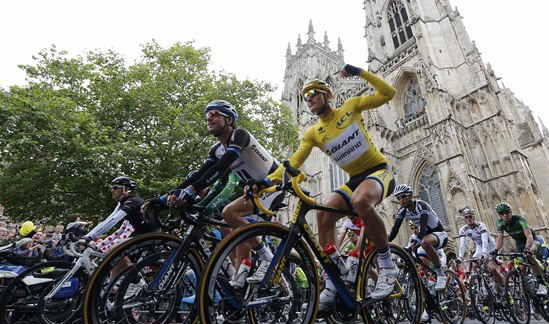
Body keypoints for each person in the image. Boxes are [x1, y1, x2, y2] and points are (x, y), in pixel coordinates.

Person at [263, 63, 397, 308]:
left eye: (313, 94)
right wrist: (267, 181)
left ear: (327, 95)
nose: (308, 99)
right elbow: (294, 161)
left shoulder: (351, 106)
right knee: (323, 216)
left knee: (361, 201)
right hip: (355, 180)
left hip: (378, 171)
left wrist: (359, 72)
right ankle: (334, 280)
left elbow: (388, 94)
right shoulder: (313, 132)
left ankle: (388, 264)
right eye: (304, 97)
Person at [164, 99, 283, 288]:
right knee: (232, 227)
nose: (209, 117)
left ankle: (266, 258)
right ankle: (256, 283)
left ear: (228, 119)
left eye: (215, 113)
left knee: (230, 214)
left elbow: (222, 167)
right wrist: (168, 195)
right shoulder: (216, 149)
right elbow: (202, 173)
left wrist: (192, 191)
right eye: (207, 115)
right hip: (253, 192)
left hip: (274, 185)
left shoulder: (239, 135)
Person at [388, 184, 448, 290]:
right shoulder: (402, 211)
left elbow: (423, 226)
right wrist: (385, 243)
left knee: (424, 242)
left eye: (403, 196)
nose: (401, 200)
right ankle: (428, 290)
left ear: (410, 196)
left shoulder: (421, 205)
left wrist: (417, 241)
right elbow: (395, 229)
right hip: (425, 237)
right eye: (399, 198)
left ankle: (440, 274)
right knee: (422, 264)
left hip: (439, 234)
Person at [492, 202, 548, 296]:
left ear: (510, 212)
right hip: (519, 243)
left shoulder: (519, 220)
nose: (505, 215)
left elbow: (529, 236)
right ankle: (529, 293)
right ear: (500, 215)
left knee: (529, 254)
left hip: (532, 240)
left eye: (507, 212)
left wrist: (527, 248)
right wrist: (496, 250)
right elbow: (500, 239)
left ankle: (541, 283)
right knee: (521, 269)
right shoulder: (500, 223)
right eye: (502, 214)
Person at [457, 207, 503, 289]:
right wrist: (460, 257)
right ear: (464, 219)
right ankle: (481, 286)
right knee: (474, 264)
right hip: (479, 247)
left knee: (492, 268)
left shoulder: (481, 225)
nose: (468, 219)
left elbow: (485, 241)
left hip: (490, 246)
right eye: (466, 217)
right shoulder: (463, 230)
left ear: (474, 217)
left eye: (470, 216)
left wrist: (485, 253)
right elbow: (462, 245)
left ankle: (504, 287)